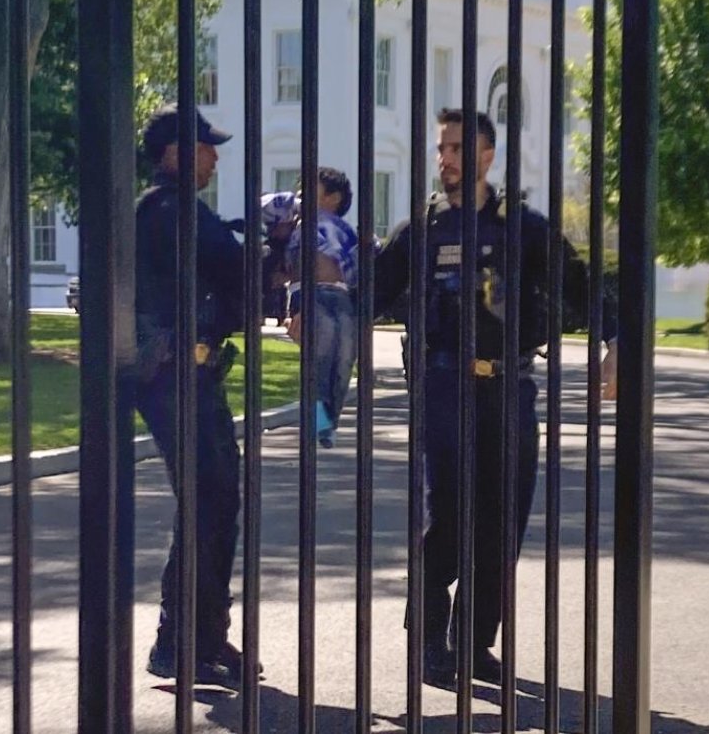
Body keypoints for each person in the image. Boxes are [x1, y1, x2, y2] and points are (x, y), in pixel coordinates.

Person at [373, 108, 550, 687]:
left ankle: (475, 644)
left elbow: (575, 278)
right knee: (446, 520)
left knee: (503, 527)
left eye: (455, 148)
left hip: (510, 387)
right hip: (445, 388)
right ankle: (428, 639)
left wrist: (617, 338)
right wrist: (314, 311)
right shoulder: (420, 230)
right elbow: (369, 293)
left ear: (486, 156)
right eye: (441, 148)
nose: (445, 159)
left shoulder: (522, 226)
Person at [133, 103, 254, 688]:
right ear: (176, 154)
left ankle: (203, 637)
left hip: (194, 374)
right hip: (173, 376)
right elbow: (235, 273)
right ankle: (176, 640)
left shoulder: (176, 211)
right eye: (206, 147)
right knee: (208, 500)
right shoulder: (171, 210)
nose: (214, 156)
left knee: (217, 501)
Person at [268, 168, 360, 448]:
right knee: (321, 349)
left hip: (341, 294)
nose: (301, 194)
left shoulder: (343, 228)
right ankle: (317, 417)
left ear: (334, 198)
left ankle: (329, 418)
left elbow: (364, 260)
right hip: (308, 293)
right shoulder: (296, 221)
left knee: (344, 356)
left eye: (310, 189)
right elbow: (262, 207)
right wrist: (294, 205)